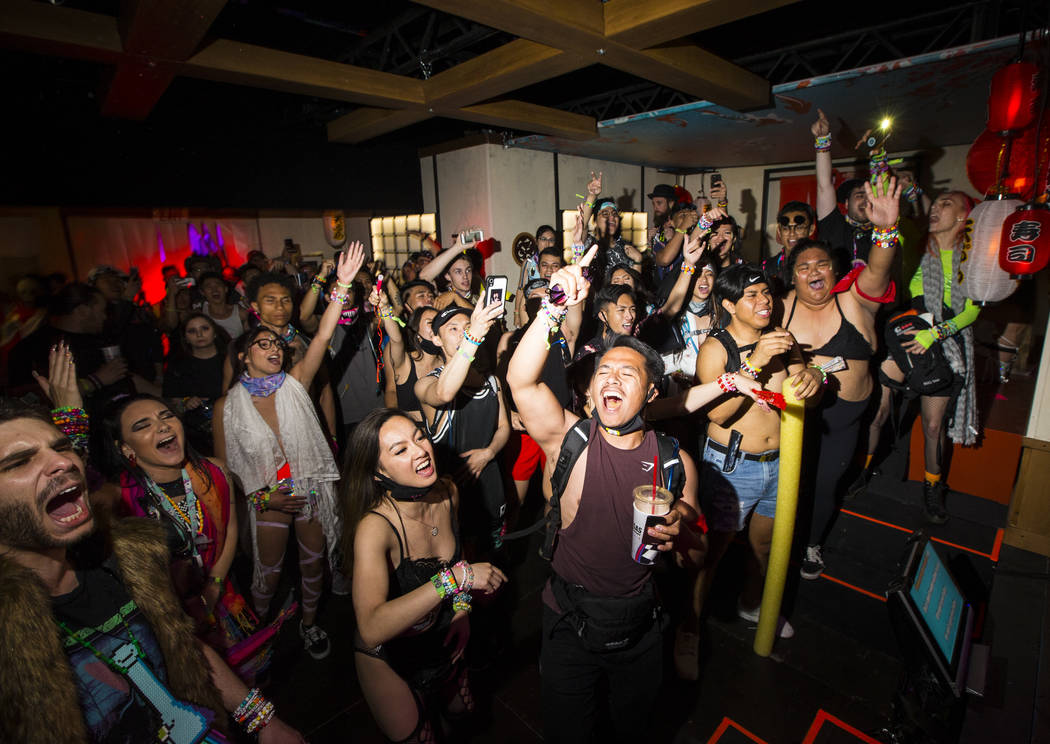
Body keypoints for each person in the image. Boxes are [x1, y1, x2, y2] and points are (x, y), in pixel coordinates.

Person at [507, 245, 749, 741]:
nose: (611, 379)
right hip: (566, 624)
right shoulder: (569, 438)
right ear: (591, 391)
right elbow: (520, 379)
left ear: (652, 394)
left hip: (641, 628)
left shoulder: (674, 460)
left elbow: (697, 556)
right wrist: (554, 305)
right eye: (603, 374)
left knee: (634, 730)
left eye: (628, 373)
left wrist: (683, 531)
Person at [0, 395, 305, 743]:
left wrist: (264, 722)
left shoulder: (128, 559)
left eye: (62, 447)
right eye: (20, 462)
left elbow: (182, 645)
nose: (61, 462)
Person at [214, 242, 365, 660]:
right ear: (243, 357)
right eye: (263, 345)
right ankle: (258, 635)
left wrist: (344, 284)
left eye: (276, 345)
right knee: (268, 575)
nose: (274, 348)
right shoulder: (228, 407)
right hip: (267, 498)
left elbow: (321, 335)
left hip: (309, 489)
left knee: (315, 565)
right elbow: (225, 470)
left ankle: (311, 624)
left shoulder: (296, 382)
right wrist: (262, 497)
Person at [340, 408, 508, 743]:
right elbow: (372, 628)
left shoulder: (447, 492)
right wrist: (456, 581)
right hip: (388, 657)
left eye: (420, 436)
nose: (420, 450)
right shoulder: (375, 528)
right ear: (376, 473)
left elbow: (457, 556)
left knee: (462, 713)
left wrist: (461, 609)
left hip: (438, 636)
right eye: (400, 450)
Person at [781, 178, 902, 579]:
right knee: (792, 481)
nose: (813, 271)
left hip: (844, 416)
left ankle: (812, 542)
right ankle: (783, 542)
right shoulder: (781, 309)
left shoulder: (857, 300)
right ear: (793, 276)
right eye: (804, 267)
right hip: (796, 414)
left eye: (821, 265)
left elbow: (880, 267)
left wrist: (885, 230)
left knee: (826, 481)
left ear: (835, 271)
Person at [695, 264, 823, 640]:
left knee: (765, 546)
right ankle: (692, 624)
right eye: (751, 295)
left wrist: (815, 377)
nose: (764, 301)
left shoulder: (783, 338)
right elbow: (718, 413)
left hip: (781, 463)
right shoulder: (716, 348)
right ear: (730, 304)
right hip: (732, 466)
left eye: (766, 292)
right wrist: (755, 363)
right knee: (713, 552)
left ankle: (753, 608)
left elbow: (807, 399)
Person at [877, 190, 978, 523]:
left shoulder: (974, 256)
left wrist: (934, 334)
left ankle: (933, 490)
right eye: (934, 204)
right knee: (878, 408)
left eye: (946, 204)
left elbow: (973, 312)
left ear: (964, 215)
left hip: (945, 344)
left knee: (933, 427)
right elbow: (896, 223)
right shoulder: (919, 246)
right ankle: (860, 471)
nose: (936, 208)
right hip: (912, 334)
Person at [415, 302, 510, 552]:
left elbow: (503, 427)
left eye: (467, 327)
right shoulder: (427, 383)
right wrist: (473, 337)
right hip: (452, 496)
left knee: (494, 559)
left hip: (490, 485)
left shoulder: (491, 380)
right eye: (453, 329)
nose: (463, 334)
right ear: (436, 339)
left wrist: (488, 453)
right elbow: (445, 393)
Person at [813, 109, 874, 275]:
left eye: (870, 196)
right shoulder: (834, 225)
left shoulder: (882, 231)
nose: (865, 201)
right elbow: (824, 185)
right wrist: (822, 140)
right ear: (846, 203)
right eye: (860, 195)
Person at [371, 285, 440, 422]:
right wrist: (385, 309)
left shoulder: (448, 362)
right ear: (417, 332)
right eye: (430, 323)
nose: (436, 328)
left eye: (439, 323)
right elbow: (396, 340)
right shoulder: (405, 361)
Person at [163, 313, 228, 454]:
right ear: (185, 337)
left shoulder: (230, 359)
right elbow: (173, 405)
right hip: (198, 436)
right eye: (192, 331)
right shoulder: (178, 365)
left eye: (205, 328)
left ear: (215, 332)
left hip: (232, 427)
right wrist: (186, 403)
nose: (199, 334)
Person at [761, 201, 817, 293]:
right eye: (786, 228)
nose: (792, 234)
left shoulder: (819, 265)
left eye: (799, 228)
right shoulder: (767, 267)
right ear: (779, 231)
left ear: (811, 230)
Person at [198, 271, 248, 340]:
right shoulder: (200, 314)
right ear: (202, 292)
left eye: (218, 285)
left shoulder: (241, 313)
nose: (214, 290)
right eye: (209, 286)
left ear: (226, 289)